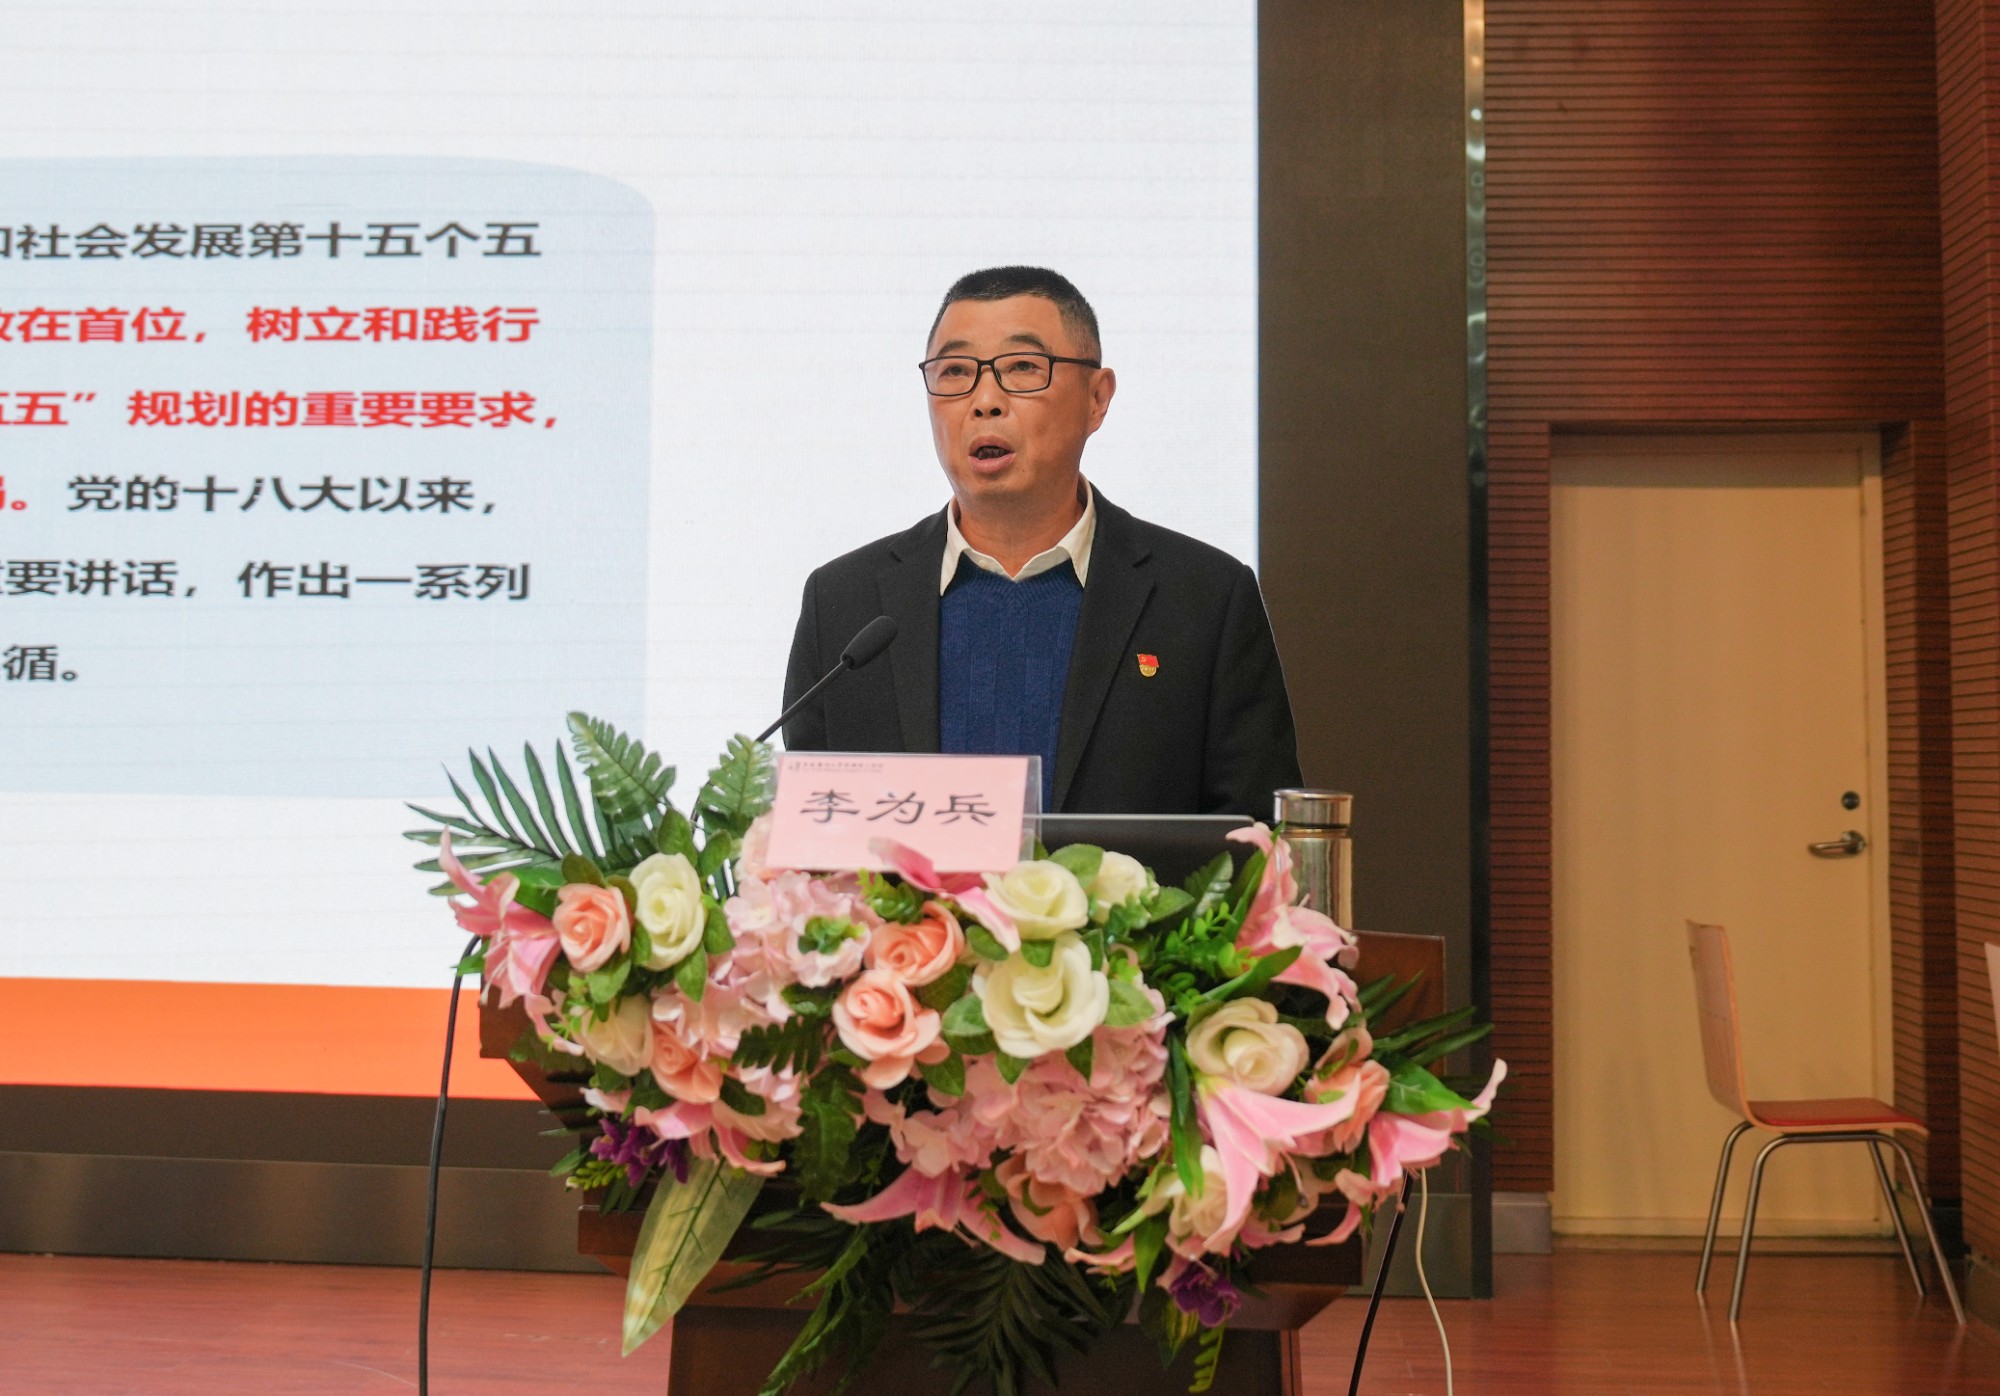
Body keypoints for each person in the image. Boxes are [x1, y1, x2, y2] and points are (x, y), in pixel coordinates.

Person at [782, 265, 1301, 817]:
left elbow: (1257, 841)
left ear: (1097, 398)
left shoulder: (1205, 600)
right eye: (955, 372)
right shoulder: (845, 604)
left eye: (1022, 367)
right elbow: (806, 835)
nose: (985, 400)